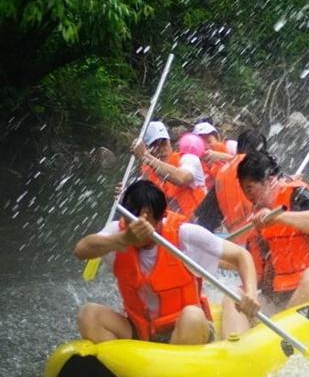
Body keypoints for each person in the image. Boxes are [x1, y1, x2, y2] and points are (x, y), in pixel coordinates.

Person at [74, 180, 260, 344]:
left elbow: (241, 256)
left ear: (162, 218)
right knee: (88, 315)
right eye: (134, 222)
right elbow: (81, 250)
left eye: (149, 221)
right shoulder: (117, 232)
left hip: (187, 328)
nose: (141, 230)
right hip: (141, 331)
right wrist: (123, 240)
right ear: (126, 218)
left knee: (193, 316)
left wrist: (250, 292)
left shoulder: (185, 234)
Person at [221, 151, 309, 336]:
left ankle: (277, 336)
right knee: (234, 294)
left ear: (269, 180)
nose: (248, 197)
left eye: (250, 188)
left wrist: (279, 218)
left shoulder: (297, 194)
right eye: (245, 190)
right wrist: (208, 257)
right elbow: (251, 267)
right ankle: (235, 349)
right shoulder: (257, 217)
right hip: (279, 298)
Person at [131, 121, 207, 220]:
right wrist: (123, 195)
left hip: (203, 224)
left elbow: (181, 179)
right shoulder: (146, 177)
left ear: (170, 143)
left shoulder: (189, 159)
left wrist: (146, 156)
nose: (161, 149)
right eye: (155, 146)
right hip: (174, 230)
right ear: (148, 148)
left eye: (164, 143)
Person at [193, 122, 236, 188]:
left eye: (209, 141)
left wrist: (222, 157)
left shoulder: (231, 146)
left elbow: (249, 164)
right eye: (201, 145)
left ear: (217, 139)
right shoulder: (197, 166)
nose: (206, 147)